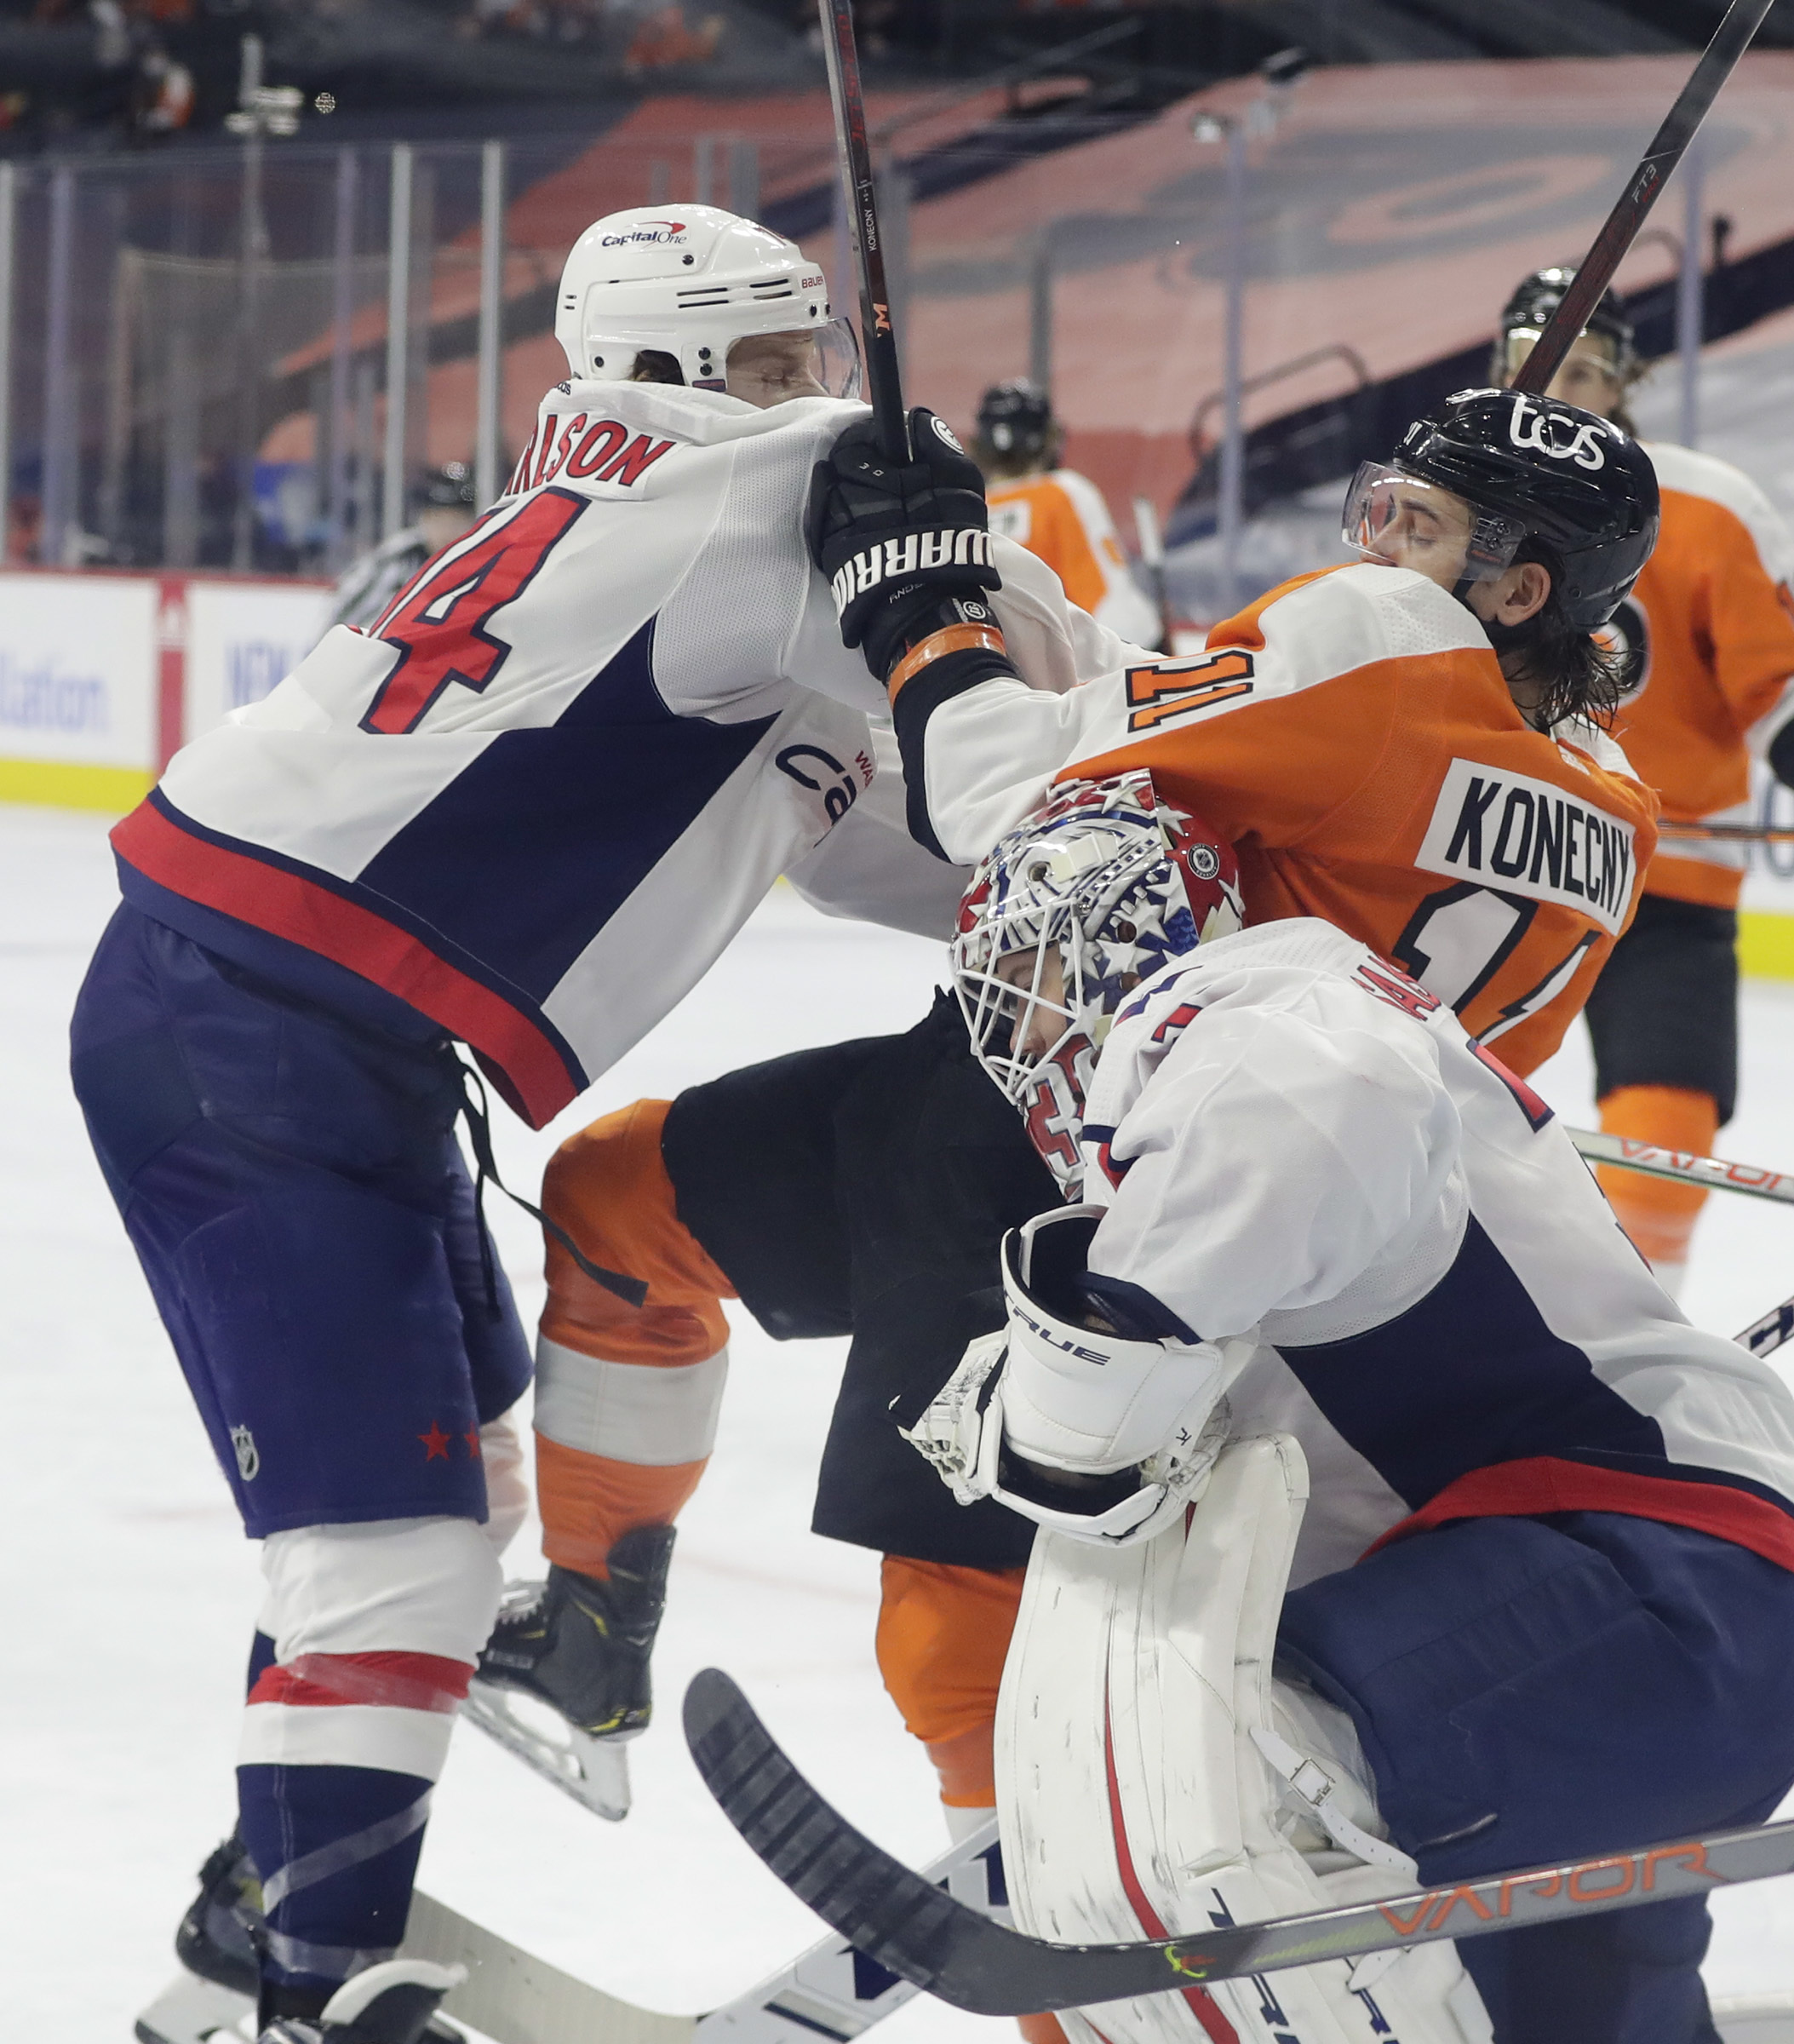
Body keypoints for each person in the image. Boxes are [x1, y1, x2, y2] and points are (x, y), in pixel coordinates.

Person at [77, 200, 1098, 2044]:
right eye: (783, 366)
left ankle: (260, 1927)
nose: (823, 395)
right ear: (671, 373)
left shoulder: (654, 523)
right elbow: (1051, 684)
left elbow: (911, 841)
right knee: (388, 1568)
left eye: (821, 361)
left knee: (436, 1522)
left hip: (289, 1022)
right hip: (252, 1038)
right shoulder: (753, 500)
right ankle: (318, 1994)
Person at [494, 388, 1667, 1955]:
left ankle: (1041, 1912)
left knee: (963, 1594)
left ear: (1520, 587)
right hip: (1245, 1194)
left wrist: (919, 603)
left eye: (1420, 524)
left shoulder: (1381, 636)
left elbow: (1004, 796)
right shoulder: (1613, 801)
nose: (1377, 540)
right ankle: (586, 1626)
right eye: (1378, 505)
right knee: (618, 1203)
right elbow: (1168, 764)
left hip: (1082, 1167)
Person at [907, 770, 1794, 2044]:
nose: (1020, 1038)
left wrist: (1084, 1355)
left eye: (1033, 983)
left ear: (1124, 941)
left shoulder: (1257, 1022)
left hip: (1641, 1589)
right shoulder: (1276, 1051)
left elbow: (1100, 1413)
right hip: (1611, 1648)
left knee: (1223, 1776)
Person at [1493, 268, 1794, 1294]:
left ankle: (1628, 1351)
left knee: (1664, 1139)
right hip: (1490, 860)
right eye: (1532, 362)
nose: (1556, 388)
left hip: (1666, 883)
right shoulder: (1457, 501)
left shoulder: (1707, 506)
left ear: (1627, 379)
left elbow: (1777, 682)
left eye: (1584, 366)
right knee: (1404, 1108)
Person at [974, 379, 1163, 649]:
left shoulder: (968, 507)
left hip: (995, 671)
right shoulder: (1062, 492)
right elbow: (1115, 611)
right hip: (1071, 672)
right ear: (1048, 438)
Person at [327, 464, 481, 632]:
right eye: (439, 520)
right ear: (424, 520)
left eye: (457, 522)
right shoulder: (396, 561)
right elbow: (345, 618)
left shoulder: (484, 565)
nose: (448, 531)